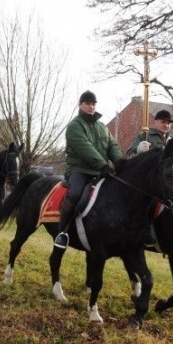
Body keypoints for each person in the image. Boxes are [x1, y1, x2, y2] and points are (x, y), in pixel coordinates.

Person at [55, 90, 122, 250]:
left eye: (93, 104)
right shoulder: (74, 126)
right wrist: (103, 165)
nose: (91, 106)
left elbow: (112, 145)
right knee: (75, 193)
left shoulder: (102, 127)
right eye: (87, 104)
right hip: (79, 170)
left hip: (101, 171)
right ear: (80, 105)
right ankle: (62, 231)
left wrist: (120, 164)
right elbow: (85, 148)